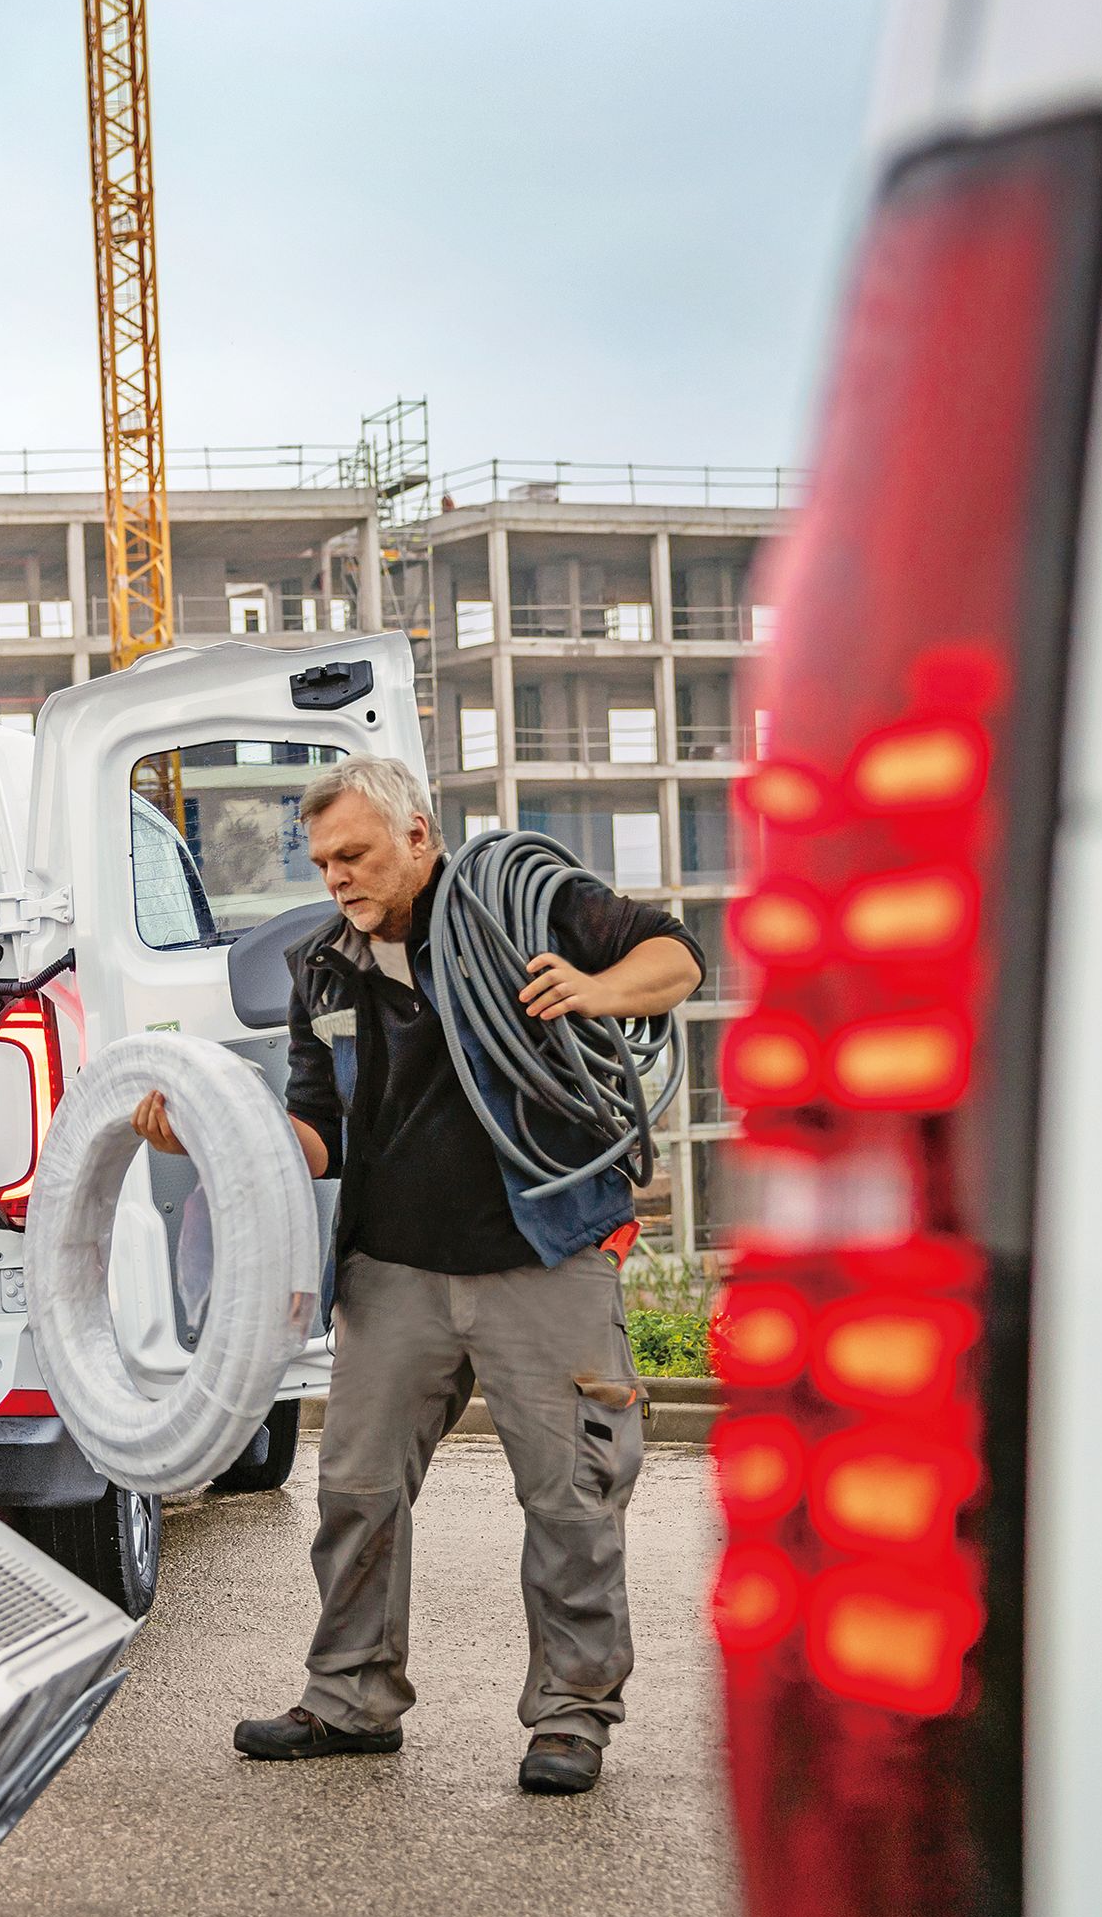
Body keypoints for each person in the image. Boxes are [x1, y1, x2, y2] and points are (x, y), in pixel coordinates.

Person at [133, 753, 700, 1796]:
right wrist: (207, 1135)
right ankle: (351, 1698)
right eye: (321, 862)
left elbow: (680, 960)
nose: (336, 876)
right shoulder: (323, 969)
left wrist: (593, 989)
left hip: (542, 1254)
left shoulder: (524, 908)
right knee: (355, 1489)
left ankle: (571, 1717)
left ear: (418, 837)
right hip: (393, 1268)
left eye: (352, 853)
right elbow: (315, 1130)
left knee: (571, 1497)